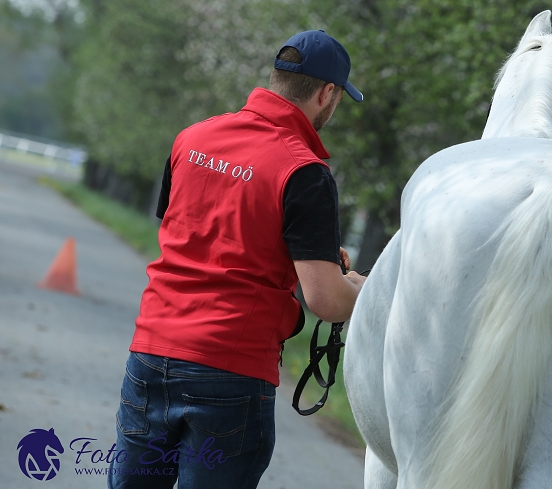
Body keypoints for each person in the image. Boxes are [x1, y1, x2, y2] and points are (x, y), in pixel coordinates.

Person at [107, 30, 367, 489]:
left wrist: (302, 256)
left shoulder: (192, 137)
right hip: (231, 371)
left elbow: (191, 232)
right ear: (327, 93)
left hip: (150, 353)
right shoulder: (304, 170)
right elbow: (326, 300)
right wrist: (366, 288)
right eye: (338, 98)